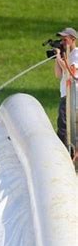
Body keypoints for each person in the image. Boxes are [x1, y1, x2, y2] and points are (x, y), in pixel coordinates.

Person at [53, 27, 78, 157]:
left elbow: (72, 73)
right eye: (61, 40)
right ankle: (68, 155)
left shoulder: (76, 54)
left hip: (73, 95)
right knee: (63, 125)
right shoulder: (67, 55)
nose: (62, 42)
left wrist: (59, 58)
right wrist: (58, 58)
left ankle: (64, 156)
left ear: (73, 39)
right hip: (65, 94)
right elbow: (58, 74)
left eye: (65, 39)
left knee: (64, 127)